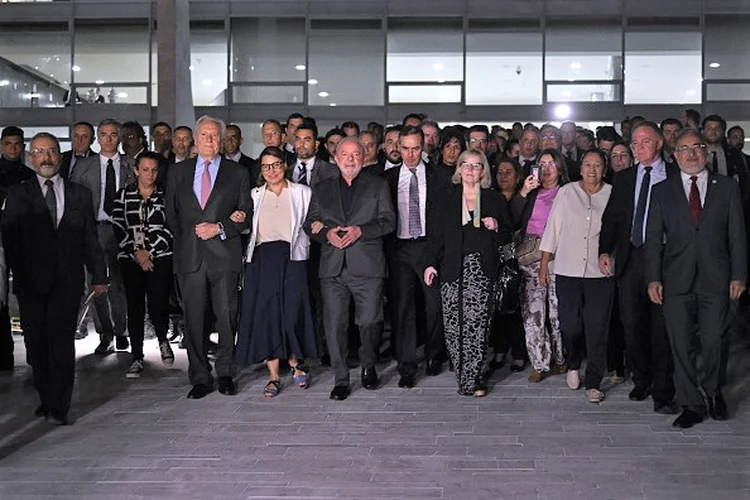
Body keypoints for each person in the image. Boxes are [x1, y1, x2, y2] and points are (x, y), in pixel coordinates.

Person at [2, 132, 107, 425]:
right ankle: (46, 396)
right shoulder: (17, 194)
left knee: (62, 342)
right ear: (31, 158)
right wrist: (15, 276)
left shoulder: (79, 194)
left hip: (67, 280)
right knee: (37, 344)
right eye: (39, 151)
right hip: (30, 282)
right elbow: (10, 240)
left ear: (59, 157)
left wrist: (99, 276)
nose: (45, 157)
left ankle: (59, 405)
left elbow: (90, 239)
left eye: (50, 151)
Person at [646, 128, 747, 428]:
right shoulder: (662, 191)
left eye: (696, 147)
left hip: (717, 278)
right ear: (674, 156)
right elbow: (653, 239)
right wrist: (653, 278)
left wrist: (739, 275)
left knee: (715, 340)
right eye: (684, 149)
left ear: (705, 151)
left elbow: (738, 235)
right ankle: (691, 403)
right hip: (675, 280)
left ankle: (714, 393)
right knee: (680, 344)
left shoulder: (727, 187)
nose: (691, 153)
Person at [165, 115, 252, 399]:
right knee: (193, 320)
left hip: (224, 256)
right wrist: (191, 236)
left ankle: (226, 372)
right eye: (204, 135)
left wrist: (219, 228)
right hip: (190, 258)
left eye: (215, 135)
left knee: (227, 316)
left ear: (223, 139)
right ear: (195, 138)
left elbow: (245, 214)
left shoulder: (237, 172)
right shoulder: (178, 172)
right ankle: (200, 377)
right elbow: (171, 215)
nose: (210, 140)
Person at [303, 136, 396, 401]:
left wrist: (361, 231)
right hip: (333, 268)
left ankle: (368, 364)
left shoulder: (377, 185)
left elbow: (388, 222)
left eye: (356, 154)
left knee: (369, 322)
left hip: (367, 267)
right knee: (334, 326)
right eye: (345, 154)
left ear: (364, 157)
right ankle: (341, 379)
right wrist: (326, 235)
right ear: (336, 158)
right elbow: (310, 224)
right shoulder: (322, 188)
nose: (351, 159)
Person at [599, 121, 679, 415]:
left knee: (661, 329)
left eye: (646, 141)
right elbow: (612, 219)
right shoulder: (625, 178)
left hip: (664, 261)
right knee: (632, 327)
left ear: (659, 143)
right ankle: (641, 380)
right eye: (635, 142)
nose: (639, 146)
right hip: (631, 259)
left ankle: (663, 390)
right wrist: (605, 250)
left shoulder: (674, 175)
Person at [423, 149, 512, 396]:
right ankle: (465, 374)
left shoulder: (494, 199)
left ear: (483, 170)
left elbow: (508, 235)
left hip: (481, 269)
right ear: (459, 168)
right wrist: (430, 264)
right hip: (451, 269)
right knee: (454, 326)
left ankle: (474, 378)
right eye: (466, 165)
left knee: (477, 325)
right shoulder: (445, 198)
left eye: (476, 165)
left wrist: (496, 226)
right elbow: (435, 236)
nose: (471, 170)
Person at [235, 147, 317, 397]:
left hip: (293, 258)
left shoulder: (303, 192)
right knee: (267, 314)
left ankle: (294, 363)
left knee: (292, 311)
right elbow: (247, 224)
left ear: (285, 165)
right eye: (266, 166)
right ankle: (272, 376)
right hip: (262, 260)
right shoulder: (255, 194)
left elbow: (310, 223)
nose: (271, 171)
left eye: (276, 164)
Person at [539, 149, 615, 403]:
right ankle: (573, 363)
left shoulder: (612, 194)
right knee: (570, 324)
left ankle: (593, 381)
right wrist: (544, 264)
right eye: (587, 164)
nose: (592, 170)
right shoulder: (567, 192)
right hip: (567, 270)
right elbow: (553, 228)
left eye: (597, 165)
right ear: (580, 168)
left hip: (600, 273)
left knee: (597, 328)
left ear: (604, 169)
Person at [384, 126, 445, 388]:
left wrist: (436, 253)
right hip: (399, 249)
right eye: (405, 148)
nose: (410, 154)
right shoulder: (386, 178)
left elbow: (443, 220)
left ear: (424, 147)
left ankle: (434, 354)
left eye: (415, 148)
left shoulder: (439, 177)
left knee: (433, 306)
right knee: (403, 308)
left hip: (428, 247)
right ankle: (406, 366)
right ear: (398, 147)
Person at [71, 119, 135, 355]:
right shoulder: (84, 166)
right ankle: (104, 332)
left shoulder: (130, 165)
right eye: (104, 134)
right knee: (96, 283)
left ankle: (121, 332)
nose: (108, 139)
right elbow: (74, 201)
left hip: (121, 230)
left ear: (119, 138)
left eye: (113, 135)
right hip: (94, 229)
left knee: (120, 283)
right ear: (97, 138)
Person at [112, 152, 175, 379]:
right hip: (130, 259)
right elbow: (118, 226)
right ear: (136, 170)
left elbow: (172, 227)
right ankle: (136, 356)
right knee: (134, 305)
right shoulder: (123, 195)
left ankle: (163, 340)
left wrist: (150, 252)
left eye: (154, 170)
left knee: (159, 302)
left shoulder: (166, 196)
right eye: (145, 169)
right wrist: (136, 252)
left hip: (161, 256)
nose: (150, 174)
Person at [510, 148, 569, 382]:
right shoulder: (531, 193)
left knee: (558, 312)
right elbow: (512, 219)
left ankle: (562, 358)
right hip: (530, 256)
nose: (546, 169)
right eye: (542, 164)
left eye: (551, 164)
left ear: (560, 168)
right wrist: (524, 191)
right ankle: (539, 363)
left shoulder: (567, 192)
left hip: (558, 257)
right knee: (533, 313)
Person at [490, 158, 527, 372]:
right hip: (494, 258)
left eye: (509, 172)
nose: (504, 176)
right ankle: (499, 348)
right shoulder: (490, 197)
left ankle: (519, 352)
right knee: (497, 307)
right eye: (500, 172)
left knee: (515, 307)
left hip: (519, 257)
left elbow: (513, 224)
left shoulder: (526, 197)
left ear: (518, 176)